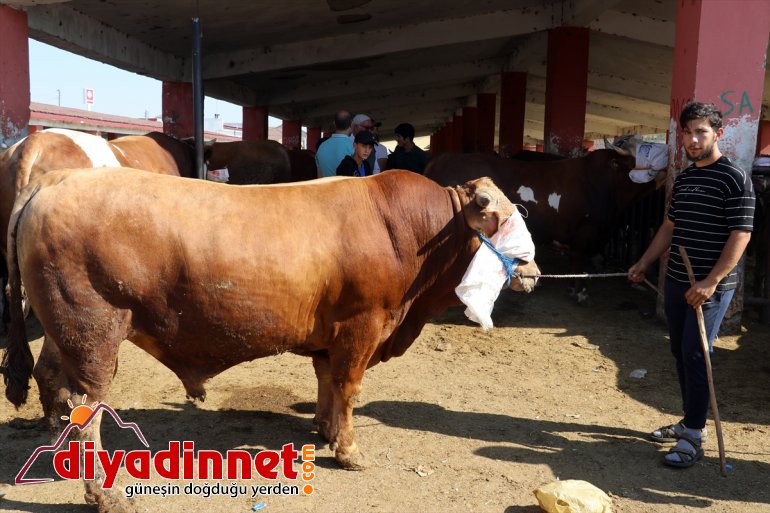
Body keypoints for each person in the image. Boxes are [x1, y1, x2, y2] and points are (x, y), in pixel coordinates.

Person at [628, 102, 754, 468]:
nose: (694, 139)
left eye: (701, 131)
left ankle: (694, 437)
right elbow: (670, 227)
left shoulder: (734, 178)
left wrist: (711, 282)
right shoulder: (684, 178)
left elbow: (741, 234)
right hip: (678, 280)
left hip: (709, 287)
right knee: (681, 354)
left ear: (718, 133)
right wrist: (644, 262)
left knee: (697, 354)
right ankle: (689, 420)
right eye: (688, 132)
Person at [315, 110, 354, 178]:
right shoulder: (354, 147)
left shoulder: (321, 147)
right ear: (351, 124)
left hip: (326, 188)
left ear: (334, 124)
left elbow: (319, 178)